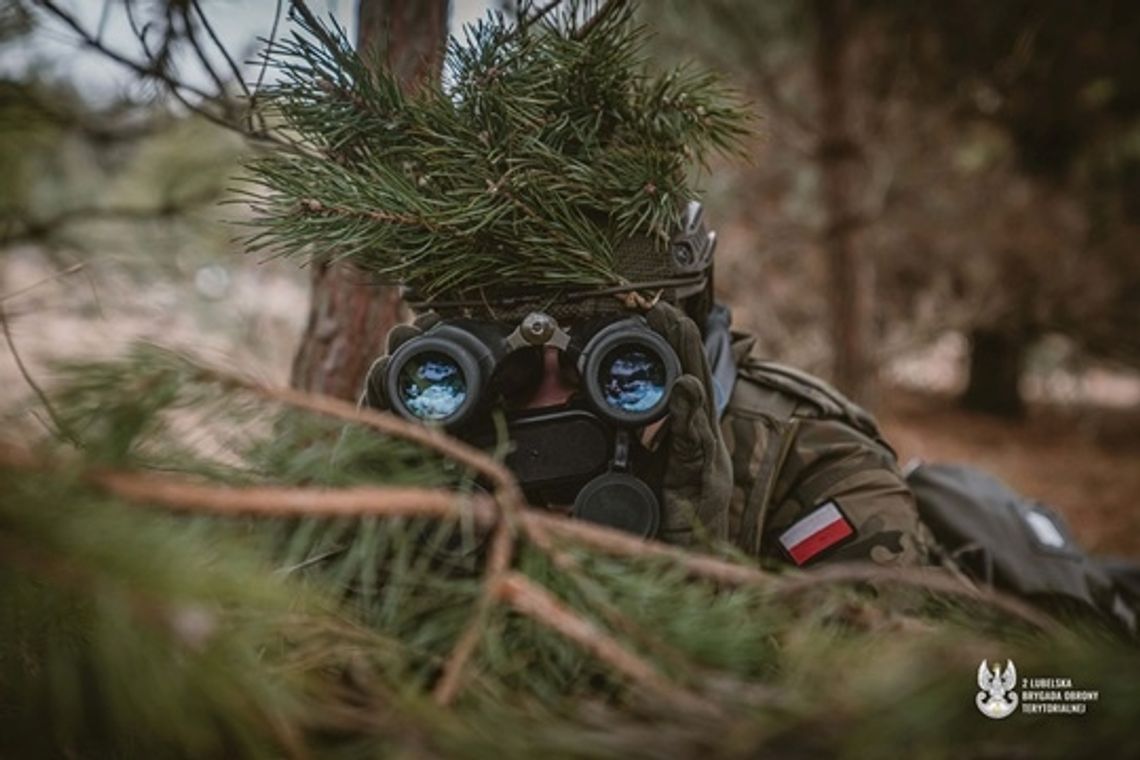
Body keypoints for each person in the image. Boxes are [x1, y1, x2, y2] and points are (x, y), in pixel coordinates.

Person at [363, 201, 933, 570]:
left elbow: (884, 699)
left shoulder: (808, 463)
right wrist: (364, 542)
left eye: (616, 364)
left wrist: (692, 564)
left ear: (679, 348)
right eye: (510, 367)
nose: (551, 397)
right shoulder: (445, 457)